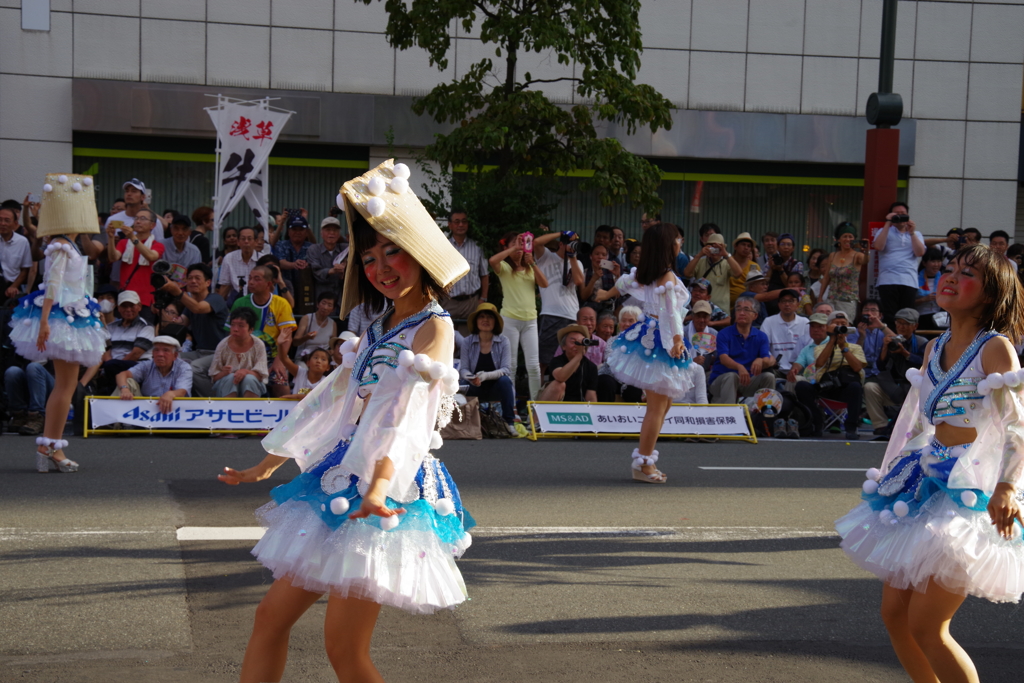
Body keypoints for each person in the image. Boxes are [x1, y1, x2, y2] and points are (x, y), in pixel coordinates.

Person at [217, 159, 473, 683]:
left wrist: (379, 486)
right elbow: (330, 398)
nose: (381, 268)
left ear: (420, 252)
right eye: (371, 258)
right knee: (270, 618)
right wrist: (269, 462)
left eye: (393, 251)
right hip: (340, 477)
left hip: (386, 486)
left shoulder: (434, 329)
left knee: (344, 651)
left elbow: (407, 417)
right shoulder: (381, 323)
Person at [835, 245, 1024, 682]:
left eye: (967, 273)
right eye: (950, 268)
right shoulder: (934, 346)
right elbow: (917, 422)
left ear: (992, 292)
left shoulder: (994, 349)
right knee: (894, 616)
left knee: (928, 626)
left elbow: (1018, 429)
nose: (951, 277)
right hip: (923, 483)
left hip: (966, 493)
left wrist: (1007, 488)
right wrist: (894, 470)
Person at [9, 174, 107, 473]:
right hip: (65, 317)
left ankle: (48, 445)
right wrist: (44, 322)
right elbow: (52, 284)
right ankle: (50, 447)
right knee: (65, 386)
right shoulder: (62, 246)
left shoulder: (67, 245)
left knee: (65, 386)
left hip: (70, 315)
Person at [593, 223, 693, 484]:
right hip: (661, 338)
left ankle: (646, 460)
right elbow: (671, 313)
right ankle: (643, 463)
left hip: (654, 335)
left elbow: (625, 282)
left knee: (664, 404)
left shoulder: (651, 274)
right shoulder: (666, 277)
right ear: (669, 247)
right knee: (658, 406)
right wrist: (678, 339)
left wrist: (607, 293)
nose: (680, 244)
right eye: (678, 241)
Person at [489, 232, 547, 400]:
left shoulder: (530, 267)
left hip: (530, 320)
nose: (520, 248)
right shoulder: (505, 268)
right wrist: (514, 247)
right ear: (507, 247)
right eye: (516, 244)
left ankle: (535, 409)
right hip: (510, 320)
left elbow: (544, 284)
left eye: (522, 244)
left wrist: (533, 263)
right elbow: (492, 261)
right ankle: (511, 407)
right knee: (511, 365)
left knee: (534, 366)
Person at [793, 311, 865, 439]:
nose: (839, 327)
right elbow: (819, 364)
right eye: (836, 324)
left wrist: (844, 348)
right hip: (825, 388)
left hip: (846, 389)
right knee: (801, 386)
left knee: (856, 387)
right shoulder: (820, 347)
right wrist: (832, 340)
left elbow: (858, 367)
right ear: (828, 327)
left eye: (843, 324)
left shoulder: (855, 348)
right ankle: (817, 421)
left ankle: (851, 428)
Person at [159, 263, 229, 396]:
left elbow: (198, 308)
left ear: (208, 282)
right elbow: (179, 324)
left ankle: (215, 400)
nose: (193, 281)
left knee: (194, 368)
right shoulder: (190, 303)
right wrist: (160, 309)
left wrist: (177, 291)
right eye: (190, 278)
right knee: (167, 358)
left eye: (197, 278)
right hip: (199, 352)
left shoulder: (216, 298)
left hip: (219, 353)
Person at [229, 266, 297, 397]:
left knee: (280, 380)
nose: (251, 282)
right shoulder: (240, 303)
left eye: (257, 279)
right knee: (232, 378)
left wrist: (279, 361)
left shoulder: (281, 303)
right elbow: (232, 333)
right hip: (245, 355)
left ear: (269, 284)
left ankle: (286, 415)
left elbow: (287, 336)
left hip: (273, 356)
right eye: (250, 278)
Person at [460, 302, 522, 437]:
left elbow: (506, 369)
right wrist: (472, 378)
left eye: (490, 317)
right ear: (476, 321)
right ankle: (460, 425)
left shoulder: (504, 341)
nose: (485, 320)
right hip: (473, 386)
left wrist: (485, 376)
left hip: (495, 388)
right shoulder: (467, 341)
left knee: (505, 381)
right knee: (458, 385)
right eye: (481, 317)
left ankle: (509, 423)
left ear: (496, 322)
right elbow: (463, 369)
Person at [865, 308, 927, 438]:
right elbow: (881, 366)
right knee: (870, 387)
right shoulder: (891, 340)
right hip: (893, 386)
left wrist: (905, 354)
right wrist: (885, 348)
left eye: (906, 323)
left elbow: (924, 364)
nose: (901, 327)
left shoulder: (922, 342)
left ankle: (913, 427)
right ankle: (880, 426)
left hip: (913, 388)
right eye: (899, 323)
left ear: (915, 326)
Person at [708, 297, 776, 404]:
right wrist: (739, 367)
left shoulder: (761, 336)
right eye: (738, 309)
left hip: (747, 381)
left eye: (746, 310)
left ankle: (765, 413)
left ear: (755, 315)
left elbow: (767, 360)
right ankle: (730, 416)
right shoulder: (724, 333)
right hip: (721, 380)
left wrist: (760, 360)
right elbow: (723, 359)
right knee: (732, 376)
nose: (742, 313)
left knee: (769, 377)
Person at [533, 230, 583, 371]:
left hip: (571, 315)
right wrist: (561, 233)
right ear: (561, 244)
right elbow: (536, 242)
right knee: (543, 360)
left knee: (570, 358)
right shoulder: (546, 256)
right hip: (550, 313)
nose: (573, 246)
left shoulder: (577, 262)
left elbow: (579, 281)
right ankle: (540, 391)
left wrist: (572, 256)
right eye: (570, 243)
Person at [872, 201, 926, 328]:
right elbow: (878, 246)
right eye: (896, 214)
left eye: (903, 214)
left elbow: (920, 253)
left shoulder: (917, 234)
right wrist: (887, 223)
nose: (900, 216)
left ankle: (905, 343)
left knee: (908, 316)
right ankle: (891, 343)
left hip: (909, 280)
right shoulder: (883, 231)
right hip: (887, 280)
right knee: (890, 316)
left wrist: (911, 232)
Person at [114, 335, 192, 413]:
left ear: (175, 356)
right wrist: (124, 389)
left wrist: (171, 394)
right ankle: (114, 419)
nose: (160, 354)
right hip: (146, 410)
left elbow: (182, 391)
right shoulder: (147, 365)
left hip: (174, 411)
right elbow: (122, 374)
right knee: (128, 382)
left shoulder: (184, 367)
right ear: (152, 353)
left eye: (166, 350)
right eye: (156, 350)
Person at [440, 209, 489, 329]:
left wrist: (483, 298)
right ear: (450, 225)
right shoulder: (443, 247)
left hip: (471, 302)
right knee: (447, 338)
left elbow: (484, 275)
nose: (460, 225)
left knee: (470, 340)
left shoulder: (477, 247)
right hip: (448, 301)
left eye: (464, 221)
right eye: (456, 222)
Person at [107, 207, 165, 308]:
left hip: (146, 299)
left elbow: (151, 256)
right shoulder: (124, 242)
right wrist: (111, 238)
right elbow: (113, 258)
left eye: (143, 219)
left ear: (153, 225)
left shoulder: (157, 245)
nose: (138, 221)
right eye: (136, 218)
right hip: (126, 297)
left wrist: (133, 237)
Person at [208, 309, 268, 398]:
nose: (235, 329)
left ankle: (250, 410)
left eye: (241, 326)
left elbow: (261, 376)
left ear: (250, 330)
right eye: (232, 325)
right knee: (230, 378)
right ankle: (229, 410)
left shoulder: (258, 345)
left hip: (253, 385)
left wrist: (246, 371)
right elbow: (214, 377)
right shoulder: (222, 345)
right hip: (225, 387)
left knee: (249, 379)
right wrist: (223, 373)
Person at [537, 324, 599, 403]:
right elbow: (561, 377)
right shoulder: (556, 361)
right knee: (558, 384)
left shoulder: (591, 367)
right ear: (563, 346)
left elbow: (591, 397)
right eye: (573, 342)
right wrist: (579, 355)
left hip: (578, 408)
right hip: (558, 406)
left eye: (580, 342)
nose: (577, 346)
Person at [817, 222, 865, 321]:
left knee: (844, 326)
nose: (848, 239)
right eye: (844, 236)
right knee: (829, 325)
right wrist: (820, 296)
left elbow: (866, 261)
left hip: (847, 300)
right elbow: (826, 277)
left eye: (850, 236)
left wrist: (866, 251)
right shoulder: (832, 255)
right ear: (839, 239)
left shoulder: (857, 255)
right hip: (832, 298)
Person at [683, 233, 743, 313]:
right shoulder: (700, 261)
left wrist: (726, 254)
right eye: (711, 246)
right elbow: (687, 274)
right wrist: (699, 255)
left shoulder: (727, 263)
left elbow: (738, 273)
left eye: (718, 247)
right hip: (701, 310)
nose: (715, 249)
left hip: (721, 312)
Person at [759, 289, 810, 378]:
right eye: (783, 301)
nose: (787, 304)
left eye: (791, 301)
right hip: (776, 370)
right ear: (779, 304)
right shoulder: (769, 321)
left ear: (798, 304)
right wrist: (771, 360)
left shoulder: (805, 322)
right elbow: (763, 346)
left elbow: (810, 347)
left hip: (799, 370)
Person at [4, 362, 54, 436]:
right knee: (12, 371)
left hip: (53, 386)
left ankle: (37, 417)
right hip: (30, 385)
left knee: (34, 367)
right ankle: (19, 415)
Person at [306, 217, 347, 305]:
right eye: (328, 230)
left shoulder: (346, 249)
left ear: (339, 234)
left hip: (342, 298)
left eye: (335, 230)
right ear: (321, 233)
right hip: (320, 298)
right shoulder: (314, 249)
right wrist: (332, 271)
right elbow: (315, 271)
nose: (331, 233)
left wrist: (345, 269)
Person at [218, 226, 260, 301]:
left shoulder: (262, 258)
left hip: (258, 298)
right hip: (237, 299)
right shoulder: (229, 258)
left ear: (256, 241)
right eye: (243, 239)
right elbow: (225, 286)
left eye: (249, 239)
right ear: (238, 242)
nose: (246, 241)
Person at [0, 205, 32, 300]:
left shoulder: (22, 242)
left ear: (15, 223)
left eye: (7, 220)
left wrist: (13, 286)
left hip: (10, 289)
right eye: (0, 220)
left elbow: (25, 270)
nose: (2, 223)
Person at [294, 292, 338, 358]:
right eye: (323, 303)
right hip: (305, 357)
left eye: (329, 305)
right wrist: (306, 337)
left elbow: (333, 346)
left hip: (323, 358)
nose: (325, 307)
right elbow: (295, 342)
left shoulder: (333, 324)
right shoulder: (307, 318)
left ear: (333, 309)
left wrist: (331, 351)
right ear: (318, 304)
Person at [161, 215, 202, 282]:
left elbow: (196, 274)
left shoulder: (195, 251)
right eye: (176, 228)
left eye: (184, 229)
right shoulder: (161, 245)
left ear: (190, 232)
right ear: (171, 230)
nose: (180, 233)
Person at [579, 242, 620, 311]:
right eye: (597, 254)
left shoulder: (611, 273)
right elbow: (583, 297)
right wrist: (593, 279)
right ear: (591, 256)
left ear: (607, 258)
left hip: (607, 308)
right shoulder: (584, 273)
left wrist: (618, 276)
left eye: (603, 255)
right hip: (588, 307)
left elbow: (617, 296)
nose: (600, 257)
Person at [727, 232, 760, 308]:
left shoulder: (755, 266)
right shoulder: (726, 263)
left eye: (749, 246)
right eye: (743, 244)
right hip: (725, 306)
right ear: (735, 246)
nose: (746, 248)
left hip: (746, 307)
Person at [916, 248, 944, 329]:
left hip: (940, 317)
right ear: (924, 263)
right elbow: (908, 303)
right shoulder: (915, 279)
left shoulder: (944, 280)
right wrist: (923, 299)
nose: (936, 265)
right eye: (933, 261)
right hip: (921, 316)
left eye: (939, 261)